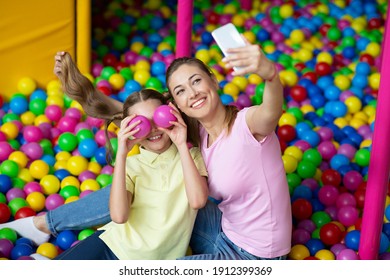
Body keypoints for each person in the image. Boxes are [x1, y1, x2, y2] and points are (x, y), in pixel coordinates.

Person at [1, 36, 292, 259]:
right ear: (174, 103)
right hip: (222, 229)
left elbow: (270, 111)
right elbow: (138, 115)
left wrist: (270, 75)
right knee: (143, 181)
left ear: (213, 81)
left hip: (253, 257)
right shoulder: (196, 131)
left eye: (197, 81)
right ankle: (43, 225)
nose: (192, 93)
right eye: (181, 91)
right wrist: (83, 91)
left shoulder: (247, 125)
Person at [55, 88, 208, 259]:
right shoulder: (132, 165)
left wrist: (180, 143)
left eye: (158, 118)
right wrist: (121, 154)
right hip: (112, 246)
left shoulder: (191, 156)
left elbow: (198, 201)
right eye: (142, 124)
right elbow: (119, 216)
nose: (152, 130)